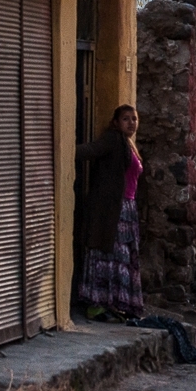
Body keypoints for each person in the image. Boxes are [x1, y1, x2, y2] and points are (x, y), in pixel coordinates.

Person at [76, 105, 144, 321]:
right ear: (115, 122)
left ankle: (112, 302)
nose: (131, 123)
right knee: (108, 255)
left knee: (120, 258)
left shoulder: (129, 144)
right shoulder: (113, 139)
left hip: (126, 210)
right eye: (126, 119)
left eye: (134, 119)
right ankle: (97, 304)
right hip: (113, 210)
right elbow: (91, 150)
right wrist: (63, 149)